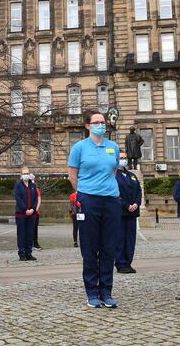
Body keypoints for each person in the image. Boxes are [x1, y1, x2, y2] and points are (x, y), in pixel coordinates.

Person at [68, 110, 122, 309]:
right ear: (88, 126)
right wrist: (84, 193)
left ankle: (106, 291)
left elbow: (114, 170)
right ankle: (91, 291)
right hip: (88, 200)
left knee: (109, 247)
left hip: (111, 200)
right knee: (90, 248)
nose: (101, 125)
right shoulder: (79, 148)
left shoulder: (113, 147)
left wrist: (106, 188)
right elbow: (73, 176)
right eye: (96, 122)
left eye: (103, 122)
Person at [115, 152, 141, 273]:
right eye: (121, 158)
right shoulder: (113, 175)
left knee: (130, 239)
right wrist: (126, 205)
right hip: (119, 213)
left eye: (125, 158)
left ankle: (128, 262)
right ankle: (120, 263)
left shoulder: (131, 175)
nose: (123, 160)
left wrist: (136, 203)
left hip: (132, 212)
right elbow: (114, 194)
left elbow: (138, 191)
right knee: (119, 239)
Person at [14, 167, 39, 261]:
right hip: (21, 214)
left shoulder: (33, 185)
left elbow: (36, 198)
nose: (26, 175)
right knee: (21, 234)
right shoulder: (18, 185)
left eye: (27, 173)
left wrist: (33, 208)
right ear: (21, 175)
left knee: (30, 234)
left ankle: (29, 253)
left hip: (32, 214)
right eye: (24, 173)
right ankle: (22, 253)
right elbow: (18, 198)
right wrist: (25, 209)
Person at [31, 173, 43, 251]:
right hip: (27, 211)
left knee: (34, 229)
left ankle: (35, 243)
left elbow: (39, 200)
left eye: (33, 179)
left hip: (35, 212)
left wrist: (35, 209)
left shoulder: (36, 189)